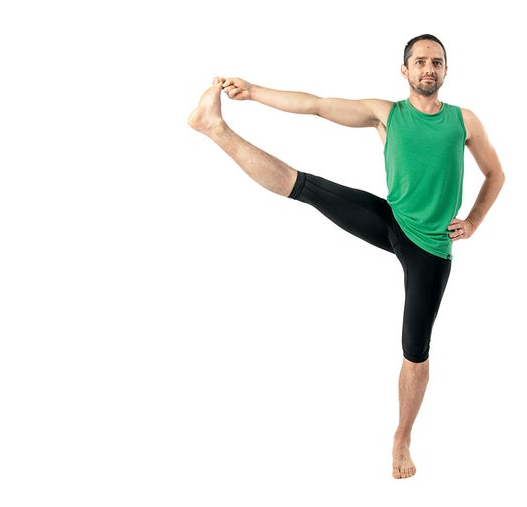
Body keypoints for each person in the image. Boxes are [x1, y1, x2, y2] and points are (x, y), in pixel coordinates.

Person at [186, 34, 504, 479]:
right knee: (307, 186)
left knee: (415, 350)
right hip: (392, 221)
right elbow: (317, 105)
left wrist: (473, 221)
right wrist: (254, 92)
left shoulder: (463, 121)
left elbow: (495, 173)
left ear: (446, 70)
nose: (428, 68)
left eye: (436, 62)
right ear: (405, 70)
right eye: (419, 61)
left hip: (431, 247)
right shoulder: (386, 114)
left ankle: (402, 437)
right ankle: (214, 128)